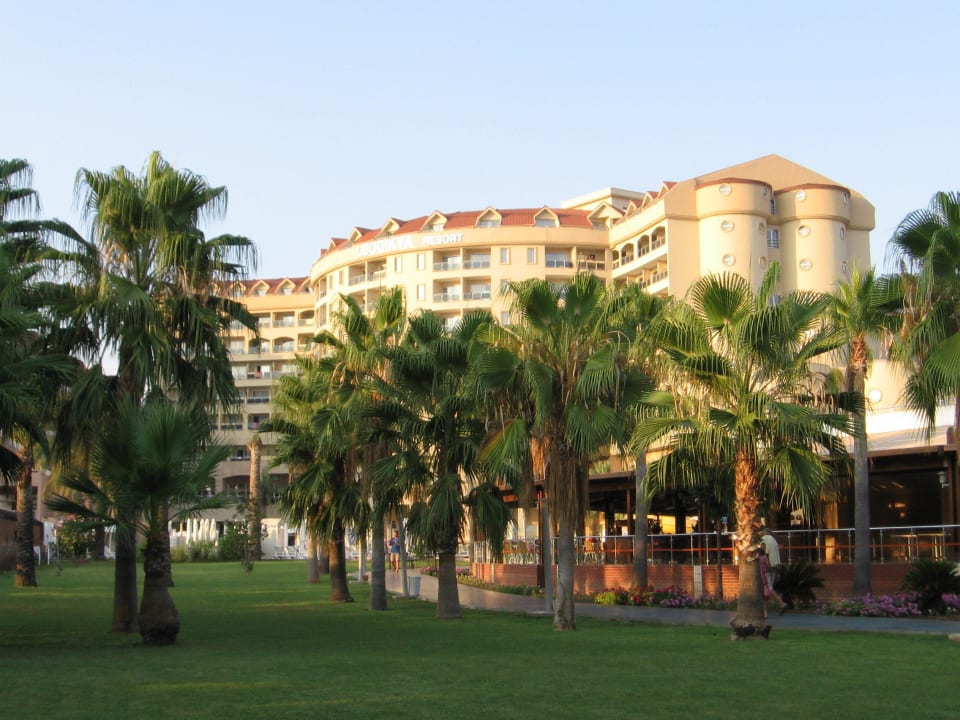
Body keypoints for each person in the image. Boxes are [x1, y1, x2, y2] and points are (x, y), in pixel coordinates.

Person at [759, 526, 786, 614]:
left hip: (768, 567)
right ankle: (765, 611)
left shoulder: (764, 540)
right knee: (767, 589)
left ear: (764, 533)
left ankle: (781, 603)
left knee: (768, 588)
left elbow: (764, 554)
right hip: (775, 566)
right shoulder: (774, 541)